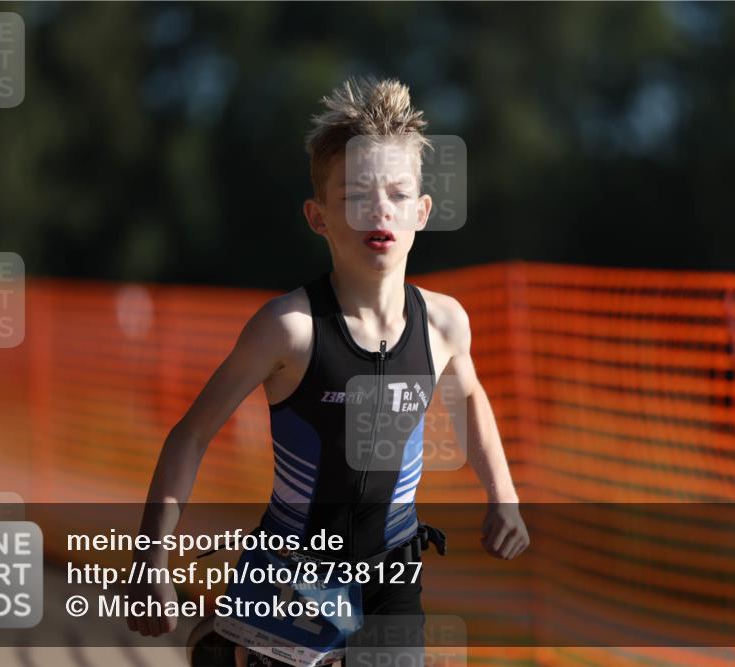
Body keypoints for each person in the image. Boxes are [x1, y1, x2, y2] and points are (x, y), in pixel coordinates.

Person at [126, 76, 529, 665]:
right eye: (357, 195)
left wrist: (505, 496)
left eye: (396, 193)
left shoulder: (446, 325)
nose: (379, 209)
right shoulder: (289, 328)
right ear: (318, 217)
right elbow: (191, 434)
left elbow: (468, 399)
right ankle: (232, 645)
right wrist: (150, 560)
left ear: (422, 212)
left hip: (392, 571)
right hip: (291, 573)